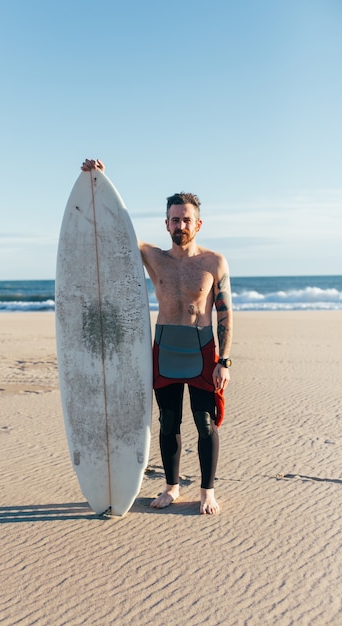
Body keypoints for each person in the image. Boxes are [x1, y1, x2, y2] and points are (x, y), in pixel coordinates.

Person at [81, 158, 233, 514]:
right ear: (166, 223)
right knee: (168, 422)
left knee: (205, 422)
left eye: (187, 219)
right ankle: (172, 488)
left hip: (201, 349)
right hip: (164, 349)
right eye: (175, 219)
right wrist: (98, 180)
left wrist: (224, 360)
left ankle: (207, 491)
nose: (181, 225)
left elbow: (225, 313)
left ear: (198, 223)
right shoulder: (152, 256)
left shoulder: (214, 262)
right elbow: (112, 230)